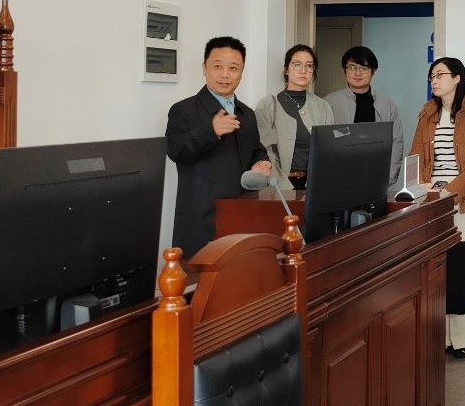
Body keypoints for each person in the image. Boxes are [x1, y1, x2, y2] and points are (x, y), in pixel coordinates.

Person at [410, 57, 465, 357]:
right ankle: (442, 336)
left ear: (457, 78)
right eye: (431, 76)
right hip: (433, 201)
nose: (434, 80)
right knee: (438, 270)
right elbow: (415, 156)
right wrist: (421, 185)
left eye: (440, 75)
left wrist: (451, 189)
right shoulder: (427, 114)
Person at [165, 36, 271, 256]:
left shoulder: (247, 113)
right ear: (204, 68)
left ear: (241, 72)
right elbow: (176, 151)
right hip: (201, 219)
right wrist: (210, 131)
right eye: (218, 66)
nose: (225, 74)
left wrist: (261, 162)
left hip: (243, 214)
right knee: (199, 276)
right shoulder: (183, 110)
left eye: (233, 68)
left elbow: (256, 149)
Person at [325, 46, 405, 192]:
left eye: (364, 68)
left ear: (373, 71)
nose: (358, 73)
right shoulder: (329, 103)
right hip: (338, 179)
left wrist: (388, 178)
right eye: (352, 67)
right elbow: (324, 141)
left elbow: (396, 142)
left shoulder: (387, 105)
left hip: (376, 178)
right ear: (344, 70)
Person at [256, 44, 335, 189]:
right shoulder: (267, 106)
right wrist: (283, 187)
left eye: (309, 66)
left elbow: (328, 150)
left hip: (315, 185)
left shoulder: (323, 107)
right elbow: (265, 153)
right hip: (279, 186)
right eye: (297, 65)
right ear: (286, 69)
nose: (303, 70)